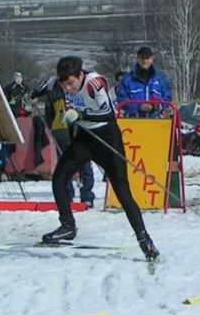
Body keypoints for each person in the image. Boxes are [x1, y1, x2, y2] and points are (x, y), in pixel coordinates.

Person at [42, 56, 159, 261]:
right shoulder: (59, 81)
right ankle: (68, 226)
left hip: (107, 138)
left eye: (71, 83)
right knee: (59, 178)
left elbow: (108, 114)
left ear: (80, 75)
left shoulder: (94, 83)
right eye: (64, 84)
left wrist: (80, 115)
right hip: (85, 139)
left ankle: (144, 240)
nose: (68, 88)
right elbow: (39, 91)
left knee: (123, 192)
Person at [30, 76, 96, 208]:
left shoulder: (81, 86)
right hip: (63, 130)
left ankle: (84, 195)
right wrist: (52, 127)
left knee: (82, 163)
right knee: (69, 165)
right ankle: (71, 195)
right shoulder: (55, 88)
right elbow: (49, 111)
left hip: (77, 130)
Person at [115, 46, 173, 119]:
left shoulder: (161, 80)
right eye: (142, 58)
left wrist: (157, 105)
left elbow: (168, 98)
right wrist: (139, 106)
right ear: (138, 59)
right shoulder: (127, 79)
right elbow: (121, 100)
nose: (144, 61)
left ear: (152, 59)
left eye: (147, 58)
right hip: (133, 123)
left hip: (155, 122)